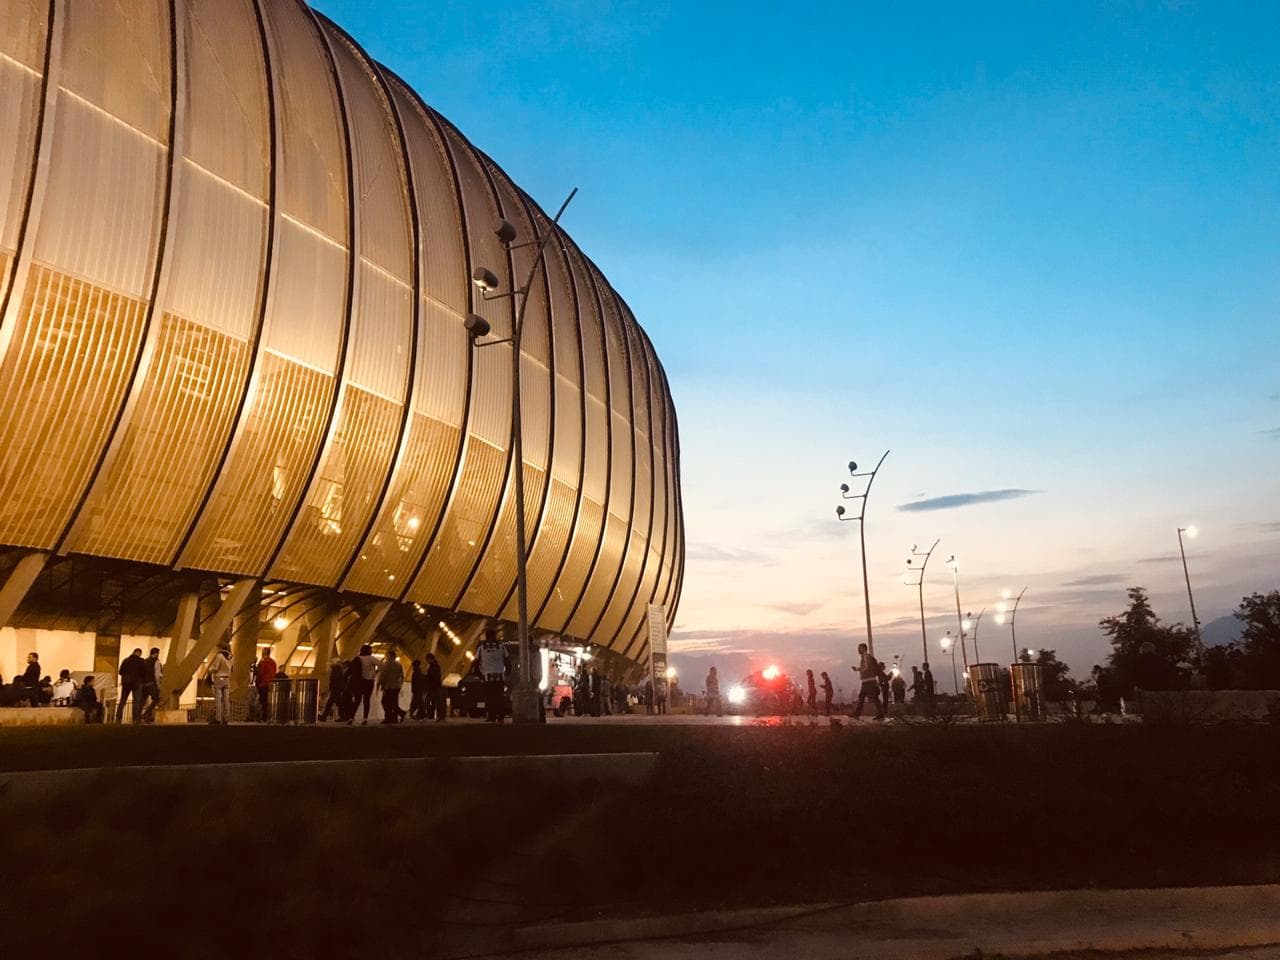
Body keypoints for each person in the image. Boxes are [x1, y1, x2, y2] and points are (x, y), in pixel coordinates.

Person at [477, 628, 507, 724]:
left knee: (489, 698)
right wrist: (507, 672)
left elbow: (476, 662)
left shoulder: (482, 648)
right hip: (499, 676)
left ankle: (491, 716)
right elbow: (507, 660)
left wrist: (479, 674)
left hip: (487, 676)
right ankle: (501, 716)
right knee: (499, 697)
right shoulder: (501, 647)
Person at [852, 643, 884, 720]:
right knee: (868, 697)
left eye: (859, 648)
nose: (858, 650)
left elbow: (866, 667)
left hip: (869, 681)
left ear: (863, 648)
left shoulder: (866, 656)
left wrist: (857, 669)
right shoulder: (865, 657)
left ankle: (857, 714)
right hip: (868, 681)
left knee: (868, 697)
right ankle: (857, 713)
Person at [117, 647, 147, 723]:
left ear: (133, 652)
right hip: (136, 684)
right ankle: (135, 719)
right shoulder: (141, 661)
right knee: (136, 701)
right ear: (139, 653)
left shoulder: (126, 660)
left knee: (123, 700)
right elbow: (144, 673)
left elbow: (120, 672)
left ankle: (118, 717)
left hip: (126, 683)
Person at [206, 642, 233, 725]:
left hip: (219, 679)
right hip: (227, 679)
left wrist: (209, 670)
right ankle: (226, 719)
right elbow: (232, 669)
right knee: (226, 700)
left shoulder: (219, 656)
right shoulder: (232, 656)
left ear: (221, 648)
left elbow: (215, 668)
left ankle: (218, 719)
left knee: (218, 699)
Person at [353, 644, 379, 724]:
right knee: (366, 700)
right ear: (369, 651)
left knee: (357, 700)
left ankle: (351, 717)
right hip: (369, 682)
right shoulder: (371, 658)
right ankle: (365, 718)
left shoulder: (358, 658)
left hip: (360, 682)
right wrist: (375, 673)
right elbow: (382, 666)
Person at [378, 649, 405, 725]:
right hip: (396, 686)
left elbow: (383, 675)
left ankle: (389, 717)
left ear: (391, 656)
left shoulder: (387, 664)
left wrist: (379, 684)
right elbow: (401, 676)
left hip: (388, 686)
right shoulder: (399, 664)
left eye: (387, 655)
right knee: (394, 702)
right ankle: (395, 718)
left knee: (385, 702)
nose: (386, 657)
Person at [140, 647, 163, 722]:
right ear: (156, 653)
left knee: (142, 701)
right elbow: (156, 674)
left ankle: (138, 716)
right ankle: (146, 714)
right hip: (151, 683)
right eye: (158, 653)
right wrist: (158, 685)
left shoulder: (144, 661)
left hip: (144, 684)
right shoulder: (156, 662)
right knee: (156, 699)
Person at [320, 656, 347, 722]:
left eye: (331, 662)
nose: (329, 664)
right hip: (337, 689)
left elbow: (334, 680)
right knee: (332, 703)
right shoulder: (339, 669)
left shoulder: (336, 669)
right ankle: (325, 716)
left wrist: (331, 688)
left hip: (336, 689)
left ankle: (342, 716)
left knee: (335, 703)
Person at [255, 647, 277, 722]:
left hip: (263, 684)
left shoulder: (263, 662)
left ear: (264, 652)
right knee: (269, 701)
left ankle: (263, 717)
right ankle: (270, 717)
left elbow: (261, 673)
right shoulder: (273, 662)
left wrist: (257, 682)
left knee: (263, 701)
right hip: (271, 684)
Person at [424, 652, 445, 722]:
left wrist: (427, 679)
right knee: (436, 702)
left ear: (430, 659)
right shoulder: (435, 665)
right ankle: (438, 715)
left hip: (434, 687)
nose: (427, 661)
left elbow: (433, 677)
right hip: (436, 687)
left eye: (427, 659)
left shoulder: (434, 666)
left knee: (429, 701)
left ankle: (434, 715)